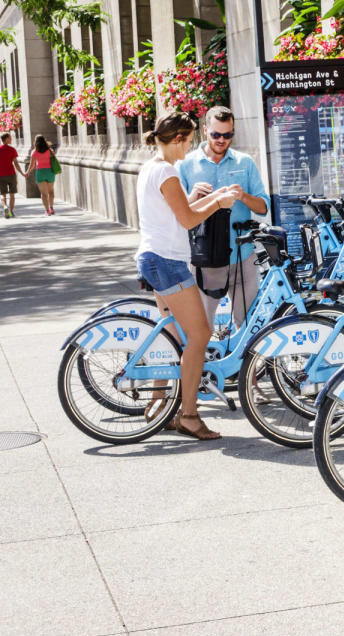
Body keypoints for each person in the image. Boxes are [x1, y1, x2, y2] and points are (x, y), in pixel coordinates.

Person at [136, 112, 241, 440]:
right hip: (168, 262)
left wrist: (210, 198)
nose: (191, 147)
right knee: (200, 335)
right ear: (178, 138)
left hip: (154, 258)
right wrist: (220, 202)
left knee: (174, 338)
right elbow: (187, 220)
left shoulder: (151, 167)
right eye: (190, 139)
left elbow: (180, 211)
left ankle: (158, 408)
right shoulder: (167, 171)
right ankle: (190, 416)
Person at [178, 105, 270, 329]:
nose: (221, 140)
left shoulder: (244, 162)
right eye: (216, 134)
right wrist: (192, 197)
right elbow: (177, 213)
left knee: (248, 327)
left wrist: (243, 195)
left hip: (242, 256)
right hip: (204, 259)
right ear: (205, 130)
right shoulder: (186, 164)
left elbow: (263, 207)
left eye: (227, 135)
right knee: (201, 329)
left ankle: (246, 365)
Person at [24, 135, 57, 215]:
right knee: (51, 191)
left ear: (36, 142)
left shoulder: (34, 152)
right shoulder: (50, 151)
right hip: (50, 172)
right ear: (44, 141)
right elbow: (54, 161)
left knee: (43, 193)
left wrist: (27, 172)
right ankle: (52, 208)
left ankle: (47, 210)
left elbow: (32, 165)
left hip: (40, 173)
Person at [0, 133, 25, 218]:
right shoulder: (12, 149)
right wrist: (22, 173)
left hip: (1, 175)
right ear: (6, 139)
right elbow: (16, 163)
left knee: (3, 194)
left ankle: (5, 207)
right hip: (11, 174)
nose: (11, 139)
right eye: (10, 138)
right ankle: (11, 212)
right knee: (12, 194)